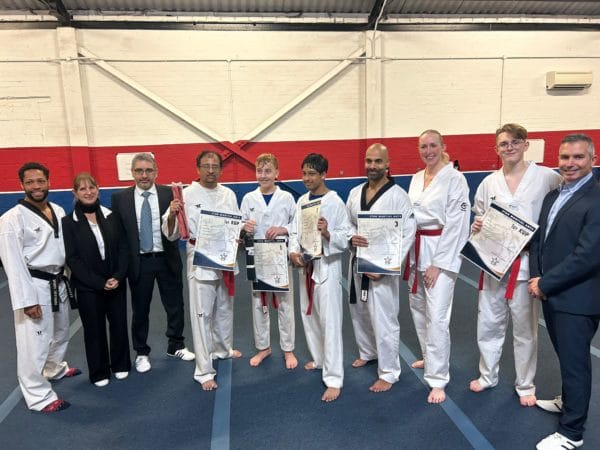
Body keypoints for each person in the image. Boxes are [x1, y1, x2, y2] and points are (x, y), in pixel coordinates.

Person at [469, 124, 562, 406]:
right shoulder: (488, 182)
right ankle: (488, 375)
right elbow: (480, 217)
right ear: (496, 149)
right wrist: (477, 225)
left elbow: (560, 209)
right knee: (488, 324)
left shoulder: (547, 177)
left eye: (514, 142)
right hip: (492, 264)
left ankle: (525, 383)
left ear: (525, 144)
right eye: (503, 144)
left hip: (525, 266)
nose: (508, 147)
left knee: (525, 330)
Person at [529, 134, 600, 450]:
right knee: (564, 356)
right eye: (565, 157)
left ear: (592, 159)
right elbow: (539, 241)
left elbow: (588, 255)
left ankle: (572, 432)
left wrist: (545, 283)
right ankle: (567, 402)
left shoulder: (596, 199)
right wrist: (537, 277)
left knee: (575, 364)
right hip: (553, 293)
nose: (570, 163)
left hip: (578, 297)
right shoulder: (552, 196)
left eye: (578, 157)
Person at [0, 162, 80, 413]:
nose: (36, 186)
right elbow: (12, 263)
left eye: (40, 181)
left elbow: (63, 247)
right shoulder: (11, 219)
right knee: (33, 343)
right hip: (34, 285)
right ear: (21, 185)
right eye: (30, 182)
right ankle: (38, 395)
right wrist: (27, 301)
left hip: (58, 281)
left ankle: (55, 368)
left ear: (48, 181)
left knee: (60, 331)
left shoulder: (56, 209)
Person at [164, 150, 242, 391]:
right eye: (206, 166)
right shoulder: (184, 195)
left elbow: (235, 224)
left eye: (215, 166)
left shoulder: (228, 194)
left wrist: (239, 234)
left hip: (224, 257)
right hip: (199, 257)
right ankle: (204, 370)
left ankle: (222, 349)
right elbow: (171, 233)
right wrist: (173, 213)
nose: (211, 170)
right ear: (197, 168)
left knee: (223, 308)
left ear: (220, 168)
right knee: (202, 315)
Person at [111, 153, 194, 374]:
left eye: (148, 170)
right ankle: (141, 352)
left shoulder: (170, 194)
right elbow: (118, 236)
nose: (144, 175)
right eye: (139, 170)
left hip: (167, 258)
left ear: (156, 171)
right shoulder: (120, 199)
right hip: (139, 262)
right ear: (132, 173)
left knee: (175, 305)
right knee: (140, 310)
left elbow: (180, 225)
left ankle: (175, 344)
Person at [404, 130, 471, 404]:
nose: (428, 150)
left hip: (439, 251)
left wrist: (439, 264)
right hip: (415, 248)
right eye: (423, 146)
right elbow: (409, 217)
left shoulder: (455, 179)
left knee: (438, 317)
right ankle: (428, 358)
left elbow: (457, 224)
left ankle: (439, 379)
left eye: (433, 145)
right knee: (418, 309)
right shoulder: (416, 177)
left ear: (443, 146)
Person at [346, 143, 415, 392]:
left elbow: (408, 233)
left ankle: (389, 372)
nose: (372, 166)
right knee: (359, 311)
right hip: (358, 261)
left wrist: (387, 267)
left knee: (384, 318)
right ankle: (368, 351)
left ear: (387, 164)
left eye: (377, 161)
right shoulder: (355, 192)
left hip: (382, 268)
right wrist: (350, 238)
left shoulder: (398, 196)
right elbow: (347, 223)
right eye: (369, 161)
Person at [289, 153, 351, 402]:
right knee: (309, 315)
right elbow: (294, 231)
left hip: (327, 266)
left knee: (330, 322)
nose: (307, 178)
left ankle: (334, 378)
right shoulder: (301, 200)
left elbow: (345, 236)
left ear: (324, 174)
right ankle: (319, 359)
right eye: (304, 173)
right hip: (306, 265)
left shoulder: (335, 202)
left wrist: (327, 234)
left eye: (312, 174)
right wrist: (293, 252)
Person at [62, 173, 131, 387]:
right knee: (94, 330)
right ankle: (99, 371)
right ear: (75, 193)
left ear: (98, 189)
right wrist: (99, 283)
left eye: (91, 187)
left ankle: (121, 365)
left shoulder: (112, 216)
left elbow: (123, 248)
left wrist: (118, 276)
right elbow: (73, 259)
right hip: (88, 286)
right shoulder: (68, 222)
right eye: (82, 189)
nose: (88, 192)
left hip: (115, 282)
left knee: (119, 325)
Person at [240, 153, 298, 369]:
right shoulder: (248, 199)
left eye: (267, 171)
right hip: (257, 257)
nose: (263, 175)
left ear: (277, 173)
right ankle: (263, 347)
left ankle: (288, 349)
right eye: (259, 171)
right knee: (259, 304)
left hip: (280, 258)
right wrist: (244, 228)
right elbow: (239, 226)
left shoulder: (287, 199)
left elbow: (297, 226)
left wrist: (284, 228)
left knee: (285, 304)